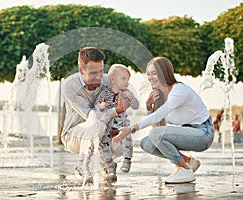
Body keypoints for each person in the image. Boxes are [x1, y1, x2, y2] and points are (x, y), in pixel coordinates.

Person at [113, 56, 215, 184]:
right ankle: (189, 162)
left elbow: (157, 119)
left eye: (154, 73)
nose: (150, 77)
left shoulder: (178, 91)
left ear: (164, 73)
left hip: (203, 134)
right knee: (147, 143)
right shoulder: (160, 95)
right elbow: (156, 126)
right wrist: (149, 105)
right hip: (191, 132)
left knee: (155, 135)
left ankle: (184, 170)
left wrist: (130, 129)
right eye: (148, 74)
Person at [61, 47, 129, 184]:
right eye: (93, 73)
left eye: (101, 71)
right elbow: (91, 116)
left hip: (101, 130)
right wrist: (116, 110)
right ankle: (81, 168)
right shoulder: (69, 85)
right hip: (73, 136)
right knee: (97, 125)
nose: (99, 76)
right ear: (81, 70)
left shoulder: (108, 81)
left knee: (124, 136)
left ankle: (105, 164)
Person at [95, 64, 139, 178]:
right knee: (104, 142)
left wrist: (132, 98)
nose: (127, 82)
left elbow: (136, 106)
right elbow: (96, 104)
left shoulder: (126, 92)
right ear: (113, 80)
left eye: (128, 80)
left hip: (122, 122)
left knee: (127, 136)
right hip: (109, 124)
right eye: (123, 79)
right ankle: (110, 165)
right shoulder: (105, 92)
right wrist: (101, 105)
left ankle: (127, 159)